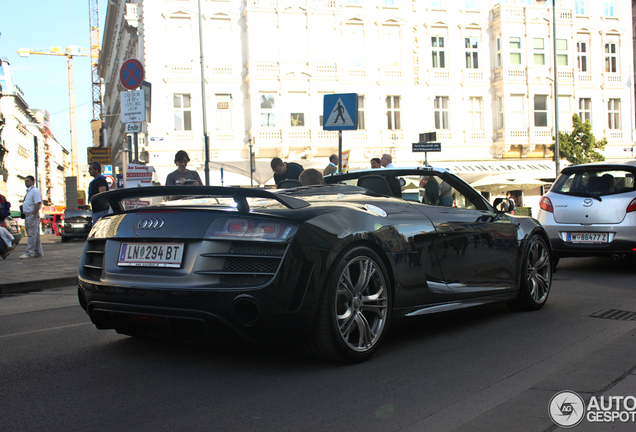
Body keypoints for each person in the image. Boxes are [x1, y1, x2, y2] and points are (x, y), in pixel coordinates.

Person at [20, 176, 43, 259]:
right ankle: (38, 251)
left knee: (31, 234)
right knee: (35, 234)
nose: (26, 183)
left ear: (33, 181)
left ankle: (29, 252)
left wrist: (33, 214)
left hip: (31, 215)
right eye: (25, 181)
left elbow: (38, 203)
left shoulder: (35, 191)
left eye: (28, 181)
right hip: (27, 215)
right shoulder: (28, 192)